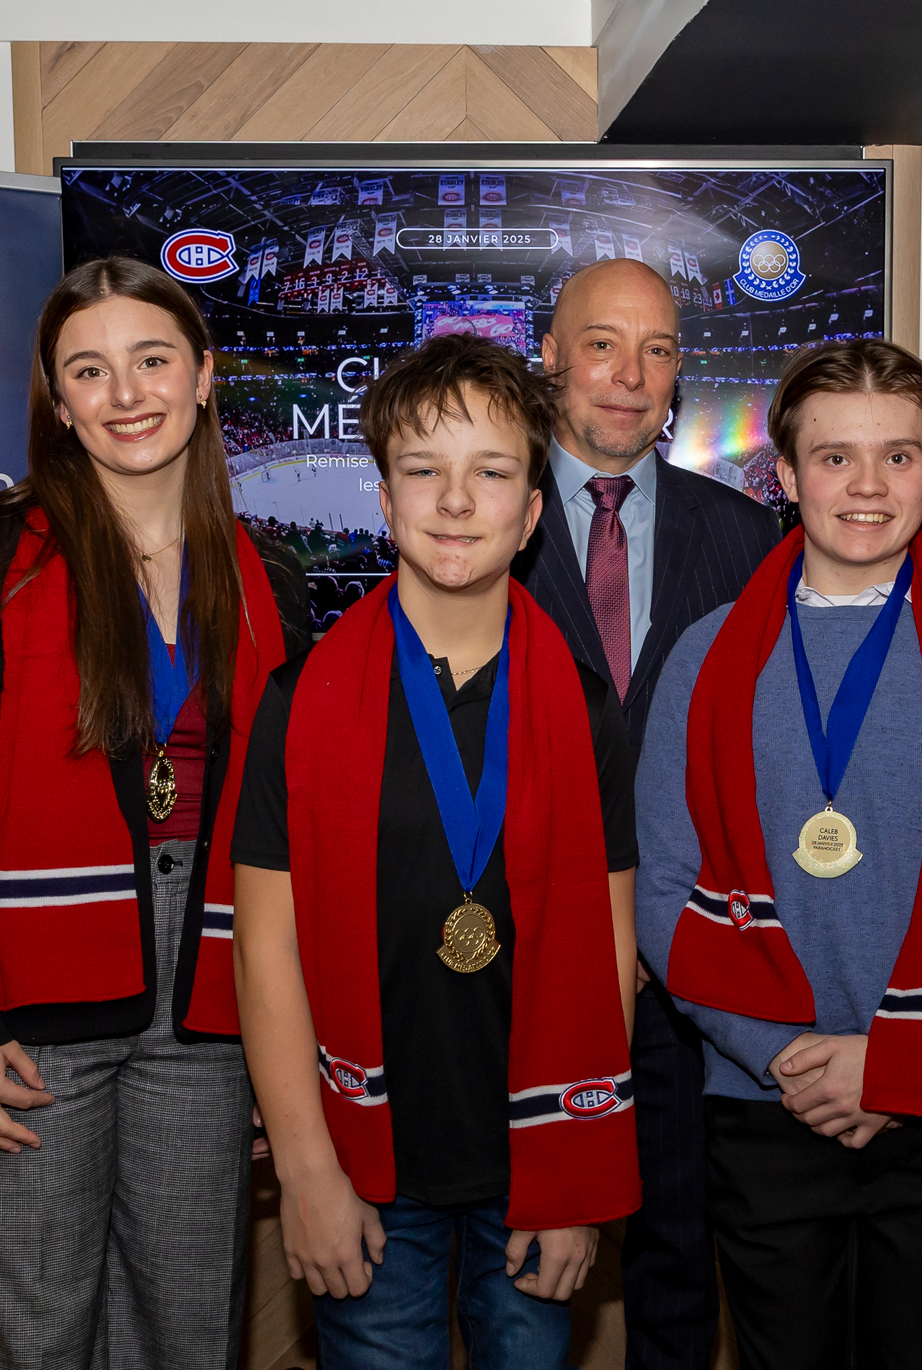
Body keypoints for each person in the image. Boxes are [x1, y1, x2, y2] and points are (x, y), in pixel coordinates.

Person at [0, 256, 309, 1370]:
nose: (125, 392)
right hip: (20, 1009)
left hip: (209, 1009)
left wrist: (284, 1047)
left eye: (152, 359)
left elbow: (292, 837)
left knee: (185, 1331)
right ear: (58, 401)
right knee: (22, 1335)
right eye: (89, 369)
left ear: (205, 377)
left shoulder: (273, 575)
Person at [636, 339, 922, 1370]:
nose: (867, 485)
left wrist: (897, 1059)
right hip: (764, 1095)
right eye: (834, 457)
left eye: (897, 455)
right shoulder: (705, 658)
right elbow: (662, 882)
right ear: (783, 476)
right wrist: (780, 1053)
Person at [232, 334, 641, 1369]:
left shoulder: (584, 706)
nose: (455, 500)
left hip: (529, 1164)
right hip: (366, 1164)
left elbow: (611, 949)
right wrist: (310, 1175)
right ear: (383, 497)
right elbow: (263, 956)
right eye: (424, 469)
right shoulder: (301, 700)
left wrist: (576, 1178)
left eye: (490, 472)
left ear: (532, 512)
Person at [517, 255, 781, 1370]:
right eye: (601, 344)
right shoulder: (485, 515)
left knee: (680, 1255)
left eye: (659, 349)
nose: (629, 376)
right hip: (512, 957)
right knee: (514, 1260)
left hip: (686, 964)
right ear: (549, 357)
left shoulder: (750, 537)